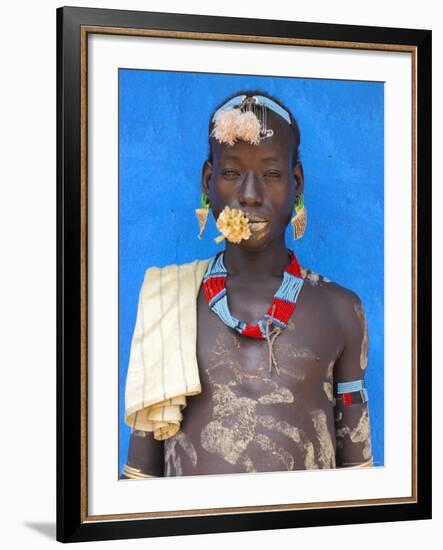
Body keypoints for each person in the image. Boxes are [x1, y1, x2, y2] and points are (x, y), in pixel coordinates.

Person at [120, 91, 373, 479]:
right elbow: (139, 479)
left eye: (271, 174)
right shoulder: (168, 302)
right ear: (208, 181)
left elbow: (360, 475)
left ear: (297, 182)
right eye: (232, 173)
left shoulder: (340, 311)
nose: (250, 195)